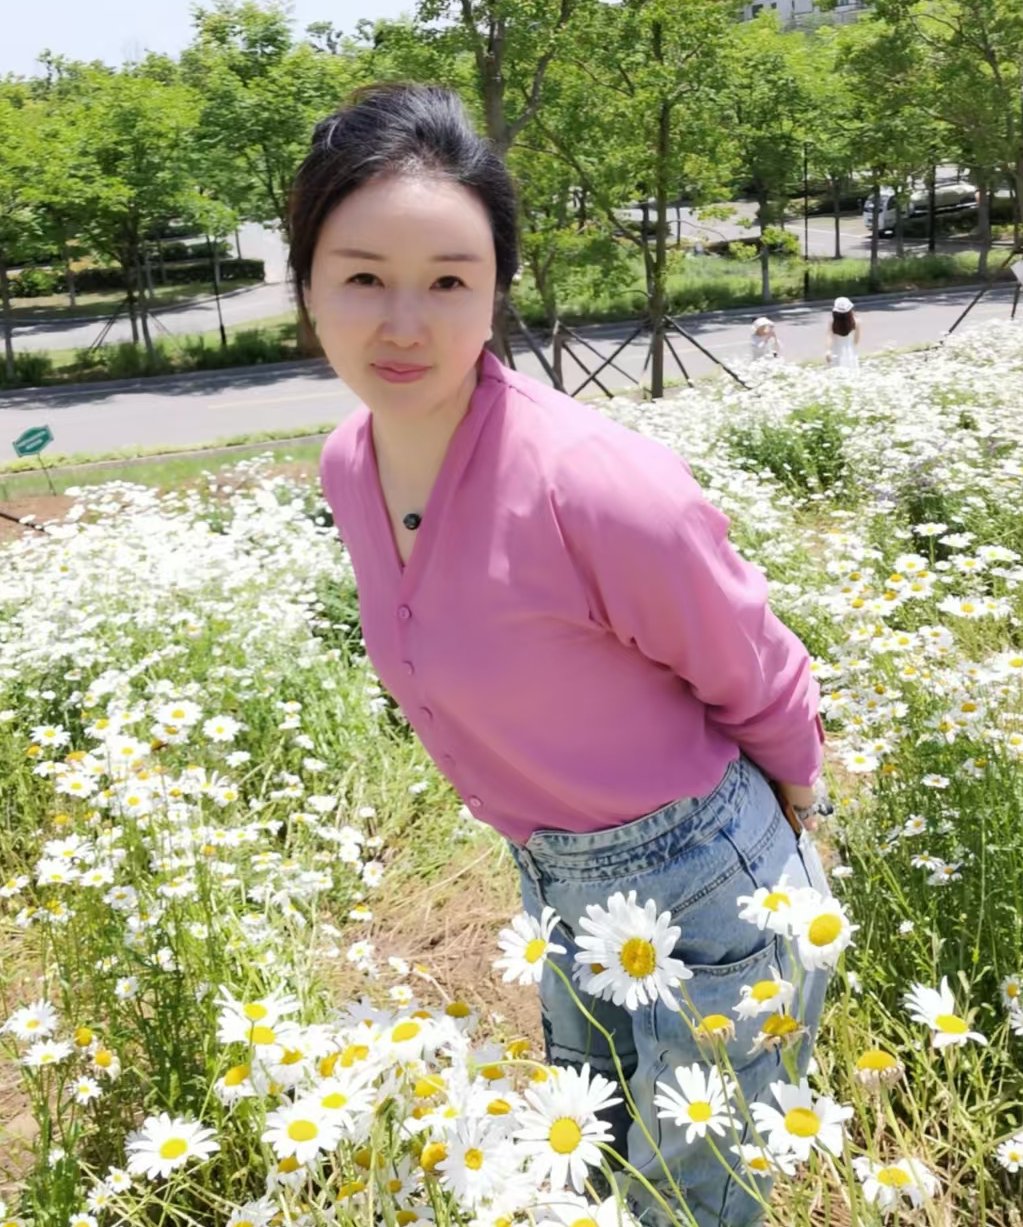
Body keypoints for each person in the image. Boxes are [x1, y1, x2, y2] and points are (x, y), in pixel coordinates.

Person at [297, 82, 832, 1227]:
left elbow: (751, 657)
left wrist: (799, 805)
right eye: (363, 278)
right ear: (306, 287)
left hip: (709, 884)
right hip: (555, 881)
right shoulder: (349, 462)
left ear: (497, 290)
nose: (404, 324)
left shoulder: (590, 482)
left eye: (450, 281)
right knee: (585, 1181)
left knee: (693, 1206)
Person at [826, 296, 860, 370]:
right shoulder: (855, 321)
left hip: (836, 349)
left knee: (836, 369)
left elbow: (829, 337)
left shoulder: (833, 322)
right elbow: (856, 341)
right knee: (851, 370)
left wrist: (828, 350)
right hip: (850, 350)